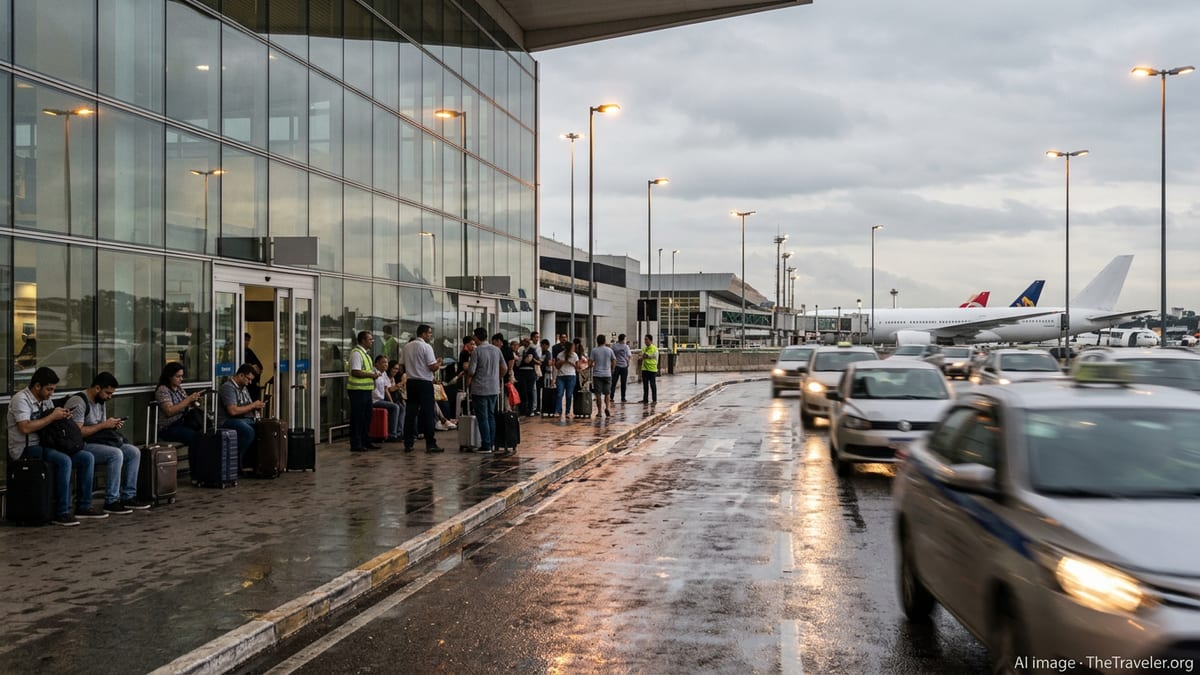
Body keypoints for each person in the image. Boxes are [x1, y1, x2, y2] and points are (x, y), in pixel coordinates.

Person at [7, 367, 105, 526]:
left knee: (86, 457)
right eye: (49, 389)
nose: (51, 393)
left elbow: (50, 421)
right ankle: (62, 511)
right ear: (37, 386)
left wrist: (62, 417)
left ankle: (84, 505)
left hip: (46, 443)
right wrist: (52, 416)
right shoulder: (21, 399)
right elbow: (24, 428)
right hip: (26, 448)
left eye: (53, 389)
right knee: (64, 461)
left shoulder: (45, 400)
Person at [66, 372, 152, 514]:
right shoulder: (79, 401)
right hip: (82, 444)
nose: (109, 397)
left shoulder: (100, 401)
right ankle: (111, 500)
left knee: (133, 452)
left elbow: (101, 426)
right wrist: (104, 425)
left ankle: (128, 496)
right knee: (115, 454)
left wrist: (111, 425)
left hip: (99, 440)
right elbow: (77, 432)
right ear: (97, 388)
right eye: (107, 393)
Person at [402, 324, 443, 453]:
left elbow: (402, 365)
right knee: (428, 413)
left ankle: (408, 443)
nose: (430, 336)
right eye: (429, 333)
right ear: (423, 334)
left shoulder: (407, 347)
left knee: (410, 413)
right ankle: (430, 443)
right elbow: (432, 367)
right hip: (424, 383)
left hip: (411, 382)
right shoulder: (426, 347)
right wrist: (439, 363)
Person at [466, 326, 507, 454]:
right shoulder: (496, 350)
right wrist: (496, 377)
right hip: (494, 388)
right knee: (491, 416)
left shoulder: (476, 351)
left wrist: (468, 381)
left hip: (480, 388)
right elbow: (504, 368)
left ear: (477, 337)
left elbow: (472, 371)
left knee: (482, 417)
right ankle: (492, 443)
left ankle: (486, 445)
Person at [220, 363, 265, 462]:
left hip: (243, 418)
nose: (249, 382)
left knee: (263, 427)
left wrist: (256, 407)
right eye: (248, 379)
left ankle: (255, 462)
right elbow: (233, 411)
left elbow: (247, 405)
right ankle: (235, 460)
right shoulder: (228, 387)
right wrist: (252, 405)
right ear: (240, 375)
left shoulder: (243, 388)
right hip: (227, 420)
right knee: (248, 431)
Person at [155, 362, 207, 447]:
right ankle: (195, 459)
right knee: (194, 437)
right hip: (169, 427)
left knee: (204, 433)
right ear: (169, 376)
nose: (181, 379)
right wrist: (188, 400)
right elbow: (169, 411)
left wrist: (193, 402)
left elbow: (186, 405)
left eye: (182, 376)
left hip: (184, 422)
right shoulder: (163, 390)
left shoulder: (179, 389)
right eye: (178, 376)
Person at [346, 331, 380, 452]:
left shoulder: (365, 354)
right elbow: (355, 371)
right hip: (357, 390)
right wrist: (372, 375)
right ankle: (356, 443)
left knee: (366, 417)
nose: (372, 341)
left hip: (365, 390)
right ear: (363, 340)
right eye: (370, 339)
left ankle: (366, 440)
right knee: (357, 418)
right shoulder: (357, 353)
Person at [371, 354, 403, 442]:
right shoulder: (373, 373)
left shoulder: (384, 373)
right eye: (383, 362)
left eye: (386, 362)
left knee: (399, 407)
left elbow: (386, 390)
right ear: (377, 364)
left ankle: (399, 432)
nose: (386, 364)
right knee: (395, 407)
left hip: (381, 399)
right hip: (374, 400)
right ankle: (391, 434)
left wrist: (391, 402)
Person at [590, 334, 616, 418]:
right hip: (607, 374)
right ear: (604, 341)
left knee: (598, 394)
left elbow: (590, 363)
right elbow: (614, 360)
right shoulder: (609, 350)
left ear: (597, 341)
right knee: (607, 393)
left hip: (597, 374)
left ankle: (599, 411)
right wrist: (612, 369)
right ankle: (607, 408)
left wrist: (592, 365)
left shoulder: (594, 351)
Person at [554, 341, 579, 420]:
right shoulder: (560, 354)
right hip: (561, 376)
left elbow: (578, 368)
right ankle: (558, 411)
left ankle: (567, 412)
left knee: (569, 395)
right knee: (559, 393)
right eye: (572, 347)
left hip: (571, 376)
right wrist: (562, 361)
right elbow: (557, 366)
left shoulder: (574, 355)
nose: (574, 348)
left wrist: (571, 363)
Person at [515, 336, 538, 417]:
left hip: (530, 371)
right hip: (522, 371)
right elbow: (519, 362)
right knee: (523, 390)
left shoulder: (532, 350)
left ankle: (530, 409)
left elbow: (528, 360)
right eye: (524, 341)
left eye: (526, 341)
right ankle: (523, 409)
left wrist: (526, 358)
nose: (525, 343)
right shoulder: (521, 350)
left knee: (530, 390)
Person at [612, 334, 632, 403]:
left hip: (616, 366)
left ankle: (611, 396)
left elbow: (612, 356)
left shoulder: (614, 346)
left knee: (614, 382)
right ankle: (623, 397)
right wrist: (628, 364)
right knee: (623, 382)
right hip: (624, 366)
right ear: (623, 339)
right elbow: (629, 356)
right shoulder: (626, 347)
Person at [243, 332, 263, 401]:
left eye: (248, 340)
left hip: (253, 385)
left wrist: (256, 369)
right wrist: (251, 367)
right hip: (244, 385)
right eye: (245, 340)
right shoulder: (237, 351)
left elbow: (260, 367)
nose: (247, 342)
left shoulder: (249, 351)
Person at [640, 333, 659, 404]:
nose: (645, 341)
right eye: (644, 339)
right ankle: (645, 399)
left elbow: (644, 355)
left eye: (646, 339)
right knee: (645, 385)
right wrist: (643, 356)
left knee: (652, 385)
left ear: (650, 340)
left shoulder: (653, 348)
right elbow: (641, 356)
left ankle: (654, 400)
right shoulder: (644, 348)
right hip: (644, 369)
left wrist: (643, 356)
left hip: (652, 369)